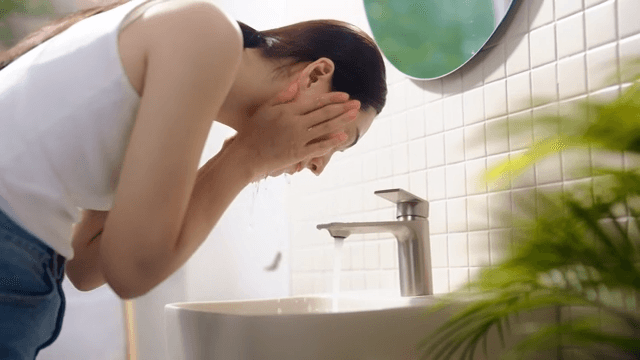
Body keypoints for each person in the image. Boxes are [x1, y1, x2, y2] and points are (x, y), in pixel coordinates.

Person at [0, 0, 387, 357]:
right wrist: (245, 158)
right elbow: (130, 272)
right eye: (339, 138)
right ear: (316, 74)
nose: (320, 164)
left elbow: (85, 264)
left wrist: (237, 156)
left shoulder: (165, 99)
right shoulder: (206, 31)